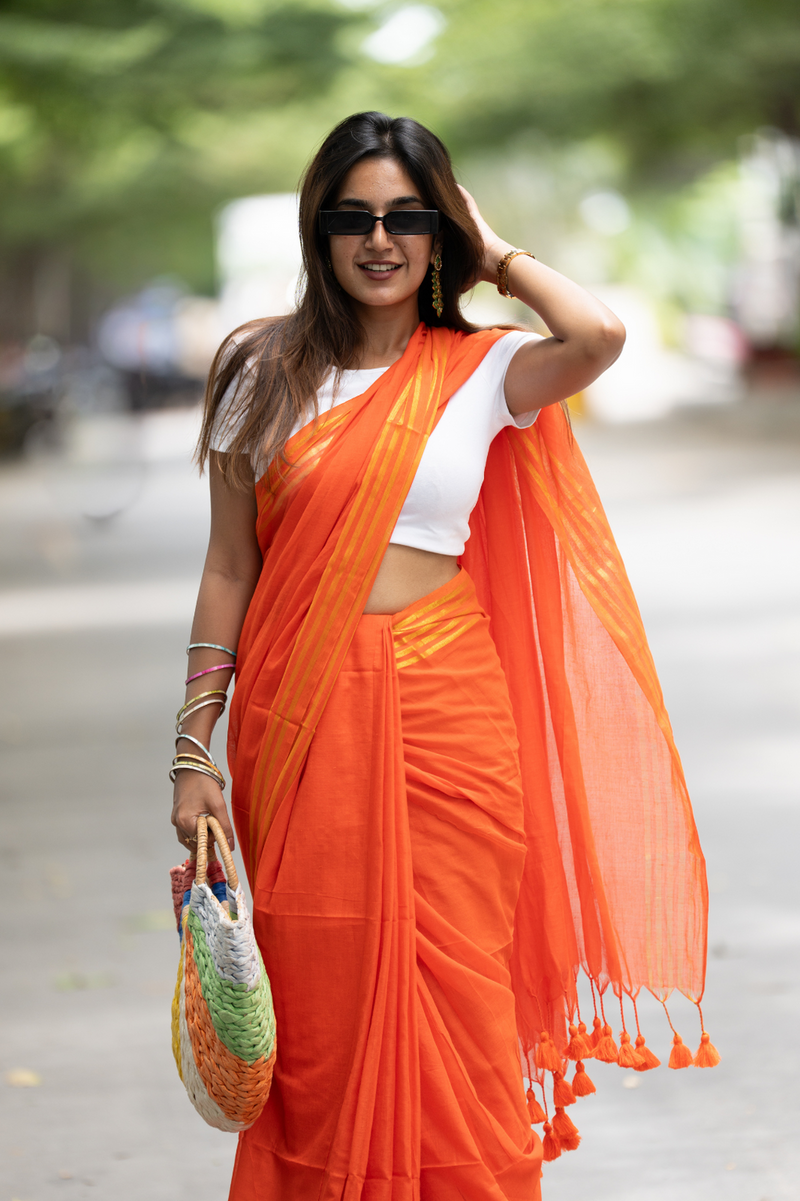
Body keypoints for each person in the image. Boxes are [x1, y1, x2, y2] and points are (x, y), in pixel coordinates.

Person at [171, 112, 713, 1200]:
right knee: (318, 1004)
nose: (381, 239)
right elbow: (230, 566)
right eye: (354, 218)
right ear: (316, 232)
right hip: (301, 723)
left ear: (440, 230)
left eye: (407, 216)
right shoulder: (258, 371)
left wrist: (494, 250)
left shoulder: (479, 368)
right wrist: (193, 750)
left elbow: (597, 336)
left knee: (460, 998)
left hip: (449, 725)